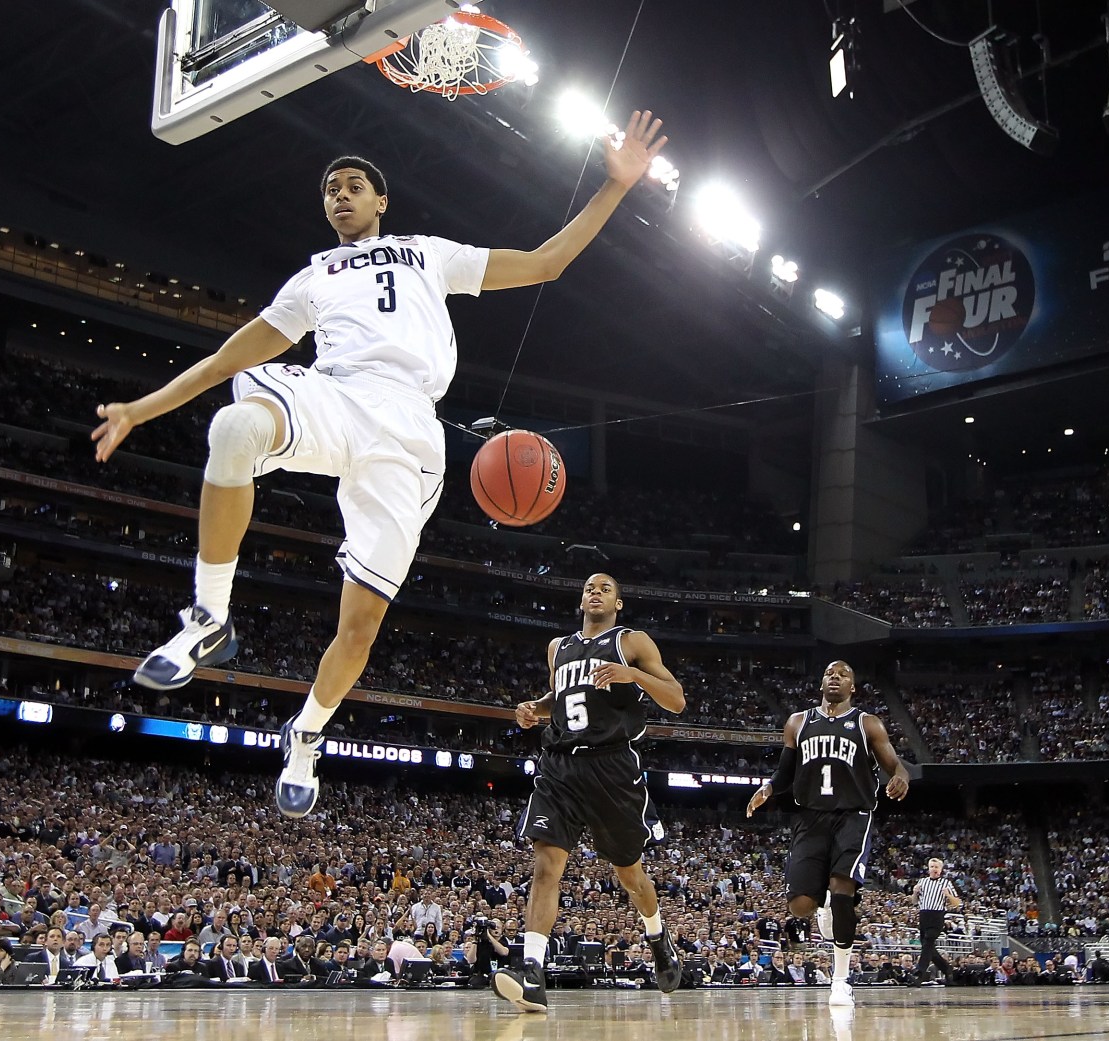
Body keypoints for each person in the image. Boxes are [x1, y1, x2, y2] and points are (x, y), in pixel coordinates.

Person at [92, 110, 668, 821]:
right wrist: (141, 408)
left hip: (410, 434)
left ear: (381, 201)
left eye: (354, 185)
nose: (341, 194)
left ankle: (307, 734)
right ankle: (209, 615)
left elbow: (547, 262)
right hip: (337, 394)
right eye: (331, 189)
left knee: (360, 626)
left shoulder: (427, 254)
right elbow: (224, 359)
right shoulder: (312, 278)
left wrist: (616, 186)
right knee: (235, 425)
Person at [490, 573, 687, 1013]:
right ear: (581, 600)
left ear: (618, 604)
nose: (595, 592)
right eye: (588, 588)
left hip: (612, 766)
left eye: (605, 589)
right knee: (546, 864)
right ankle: (532, 973)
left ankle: (658, 938)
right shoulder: (558, 648)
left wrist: (632, 674)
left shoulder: (631, 642)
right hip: (560, 765)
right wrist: (535, 709)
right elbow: (562, 698)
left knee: (629, 874)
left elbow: (676, 699)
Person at [746, 660, 911, 1008]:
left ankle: (841, 980)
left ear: (853, 687)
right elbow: (784, 773)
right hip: (810, 818)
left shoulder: (867, 723)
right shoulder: (798, 722)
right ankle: (822, 904)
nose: (835, 677)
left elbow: (895, 765)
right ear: (821, 683)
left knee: (843, 891)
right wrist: (768, 788)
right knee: (800, 907)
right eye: (829, 673)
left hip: (853, 815)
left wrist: (901, 777)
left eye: (843, 674)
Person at [913, 857, 962, 986]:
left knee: (928, 941)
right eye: (932, 867)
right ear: (928, 868)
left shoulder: (946, 883)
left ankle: (919, 972)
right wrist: (915, 893)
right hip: (923, 915)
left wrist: (948, 895)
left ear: (941, 869)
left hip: (937, 916)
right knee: (928, 947)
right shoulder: (922, 881)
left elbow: (957, 903)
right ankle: (947, 969)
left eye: (936, 867)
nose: (934, 869)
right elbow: (914, 902)